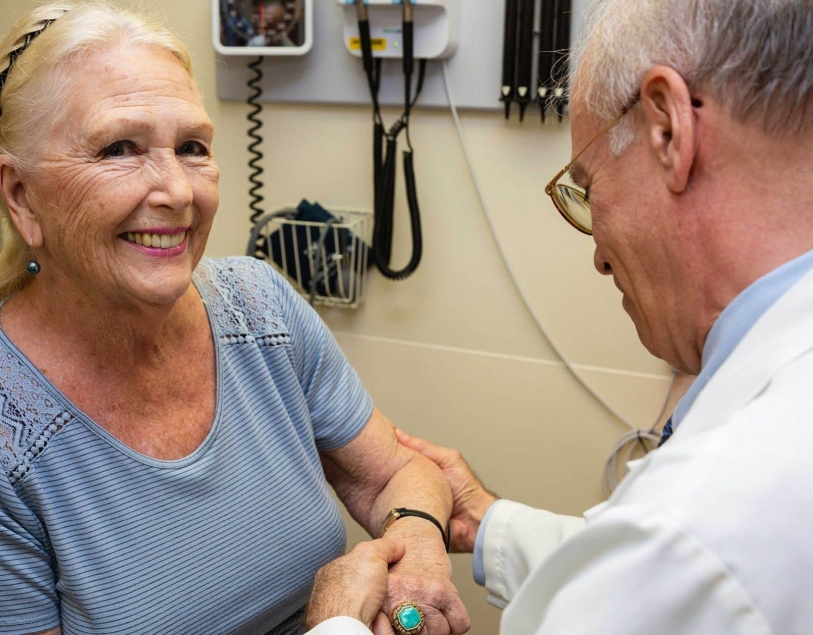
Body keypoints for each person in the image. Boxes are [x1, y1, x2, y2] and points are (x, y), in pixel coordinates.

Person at [301, 0, 813, 633]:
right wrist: (492, 521)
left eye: (587, 188)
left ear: (667, 128)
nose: (599, 255)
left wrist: (337, 622)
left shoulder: (702, 531)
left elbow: (691, 566)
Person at [0, 3, 468, 635]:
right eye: (119, 148)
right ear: (21, 198)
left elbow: (398, 475)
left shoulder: (257, 305)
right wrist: (332, 625)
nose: (178, 192)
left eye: (192, 147)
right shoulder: (11, 444)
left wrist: (414, 561)